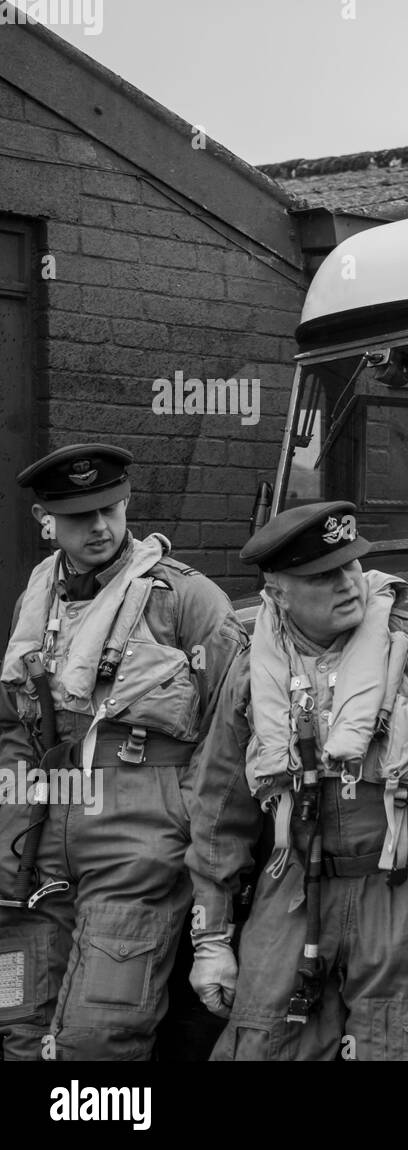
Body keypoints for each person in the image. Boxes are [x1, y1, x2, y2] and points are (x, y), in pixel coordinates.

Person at [186, 501, 408, 1060]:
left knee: (404, 1044)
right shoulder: (249, 673)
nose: (347, 584)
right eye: (321, 575)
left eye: (351, 566)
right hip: (292, 888)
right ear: (278, 590)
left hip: (407, 889)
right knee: (263, 1042)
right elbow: (219, 809)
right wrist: (211, 939)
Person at [0, 443, 247, 1060]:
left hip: (137, 843)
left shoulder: (189, 600)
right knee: (18, 1020)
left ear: (128, 502)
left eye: (110, 508)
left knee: (100, 1035)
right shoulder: (38, 600)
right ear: (45, 521)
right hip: (35, 844)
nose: (101, 527)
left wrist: (192, 837)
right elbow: (16, 733)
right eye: (80, 516)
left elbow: (230, 740)